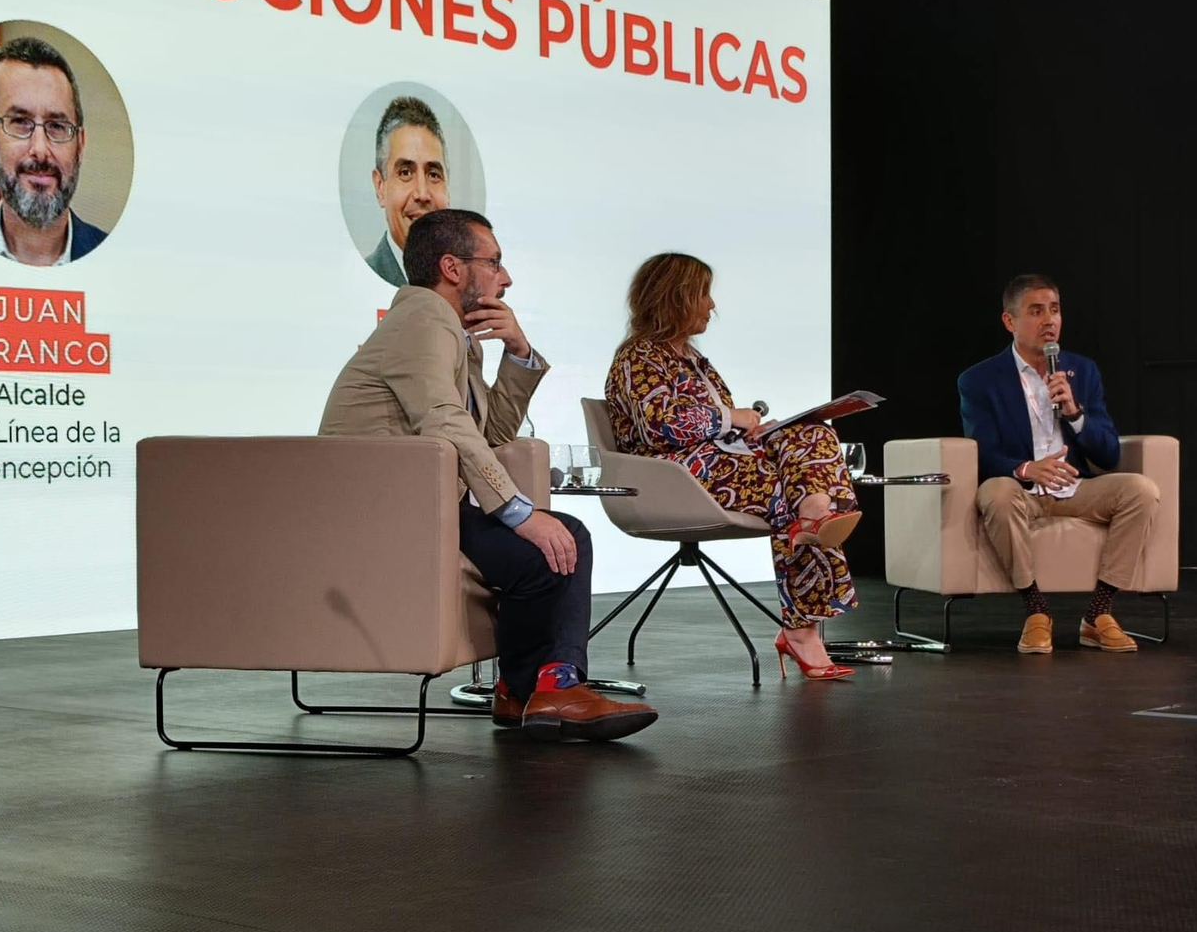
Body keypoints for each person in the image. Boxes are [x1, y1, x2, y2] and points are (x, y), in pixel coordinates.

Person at [320, 209, 658, 741]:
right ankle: (528, 688)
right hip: (383, 512)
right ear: (452, 268)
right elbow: (442, 418)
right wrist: (518, 514)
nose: (506, 278)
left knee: (568, 535)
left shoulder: (448, 329)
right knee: (540, 551)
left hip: (420, 502)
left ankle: (548, 684)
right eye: (494, 263)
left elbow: (492, 431)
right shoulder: (424, 319)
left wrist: (519, 353)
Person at [603, 252, 860, 682]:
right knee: (786, 492)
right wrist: (733, 419)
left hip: (721, 463)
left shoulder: (695, 361)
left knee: (814, 434)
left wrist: (756, 432)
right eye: (703, 294)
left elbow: (720, 428)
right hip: (673, 476)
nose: (711, 305)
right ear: (677, 298)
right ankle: (801, 619)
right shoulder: (638, 357)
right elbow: (659, 426)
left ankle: (814, 515)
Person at [958, 274, 1161, 653]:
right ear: (1010, 321)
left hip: (1075, 487)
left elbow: (1108, 455)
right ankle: (1037, 611)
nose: (1049, 320)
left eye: (1054, 310)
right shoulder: (979, 380)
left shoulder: (1082, 371)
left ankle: (1098, 615)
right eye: (1036, 311)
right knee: (996, 494)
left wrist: (1075, 412)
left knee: (1141, 490)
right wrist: (1025, 469)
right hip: (1021, 488)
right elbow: (982, 451)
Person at [0, 37, 107, 266]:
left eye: (57, 126)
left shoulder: (117, 259)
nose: (40, 150)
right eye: (20, 122)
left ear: (80, 144)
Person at [363, 96, 450, 287]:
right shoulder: (362, 280)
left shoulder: (465, 290)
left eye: (434, 175)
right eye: (405, 173)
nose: (422, 194)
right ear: (380, 187)